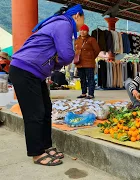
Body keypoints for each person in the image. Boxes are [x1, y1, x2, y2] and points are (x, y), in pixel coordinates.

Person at [9, 3, 84, 166]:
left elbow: (60, 55)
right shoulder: (64, 24)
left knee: (45, 110)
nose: (82, 24)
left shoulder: (59, 23)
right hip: (24, 70)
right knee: (34, 113)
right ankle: (37, 153)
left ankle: (45, 146)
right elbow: (66, 54)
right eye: (82, 20)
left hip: (34, 73)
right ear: (77, 15)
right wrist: (57, 65)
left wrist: (52, 66)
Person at [75, 24, 100, 99]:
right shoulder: (77, 40)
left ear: (87, 31)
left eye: (84, 30)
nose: (82, 32)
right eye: (81, 30)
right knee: (82, 79)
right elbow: (75, 50)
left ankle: (91, 94)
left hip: (89, 63)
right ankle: (83, 93)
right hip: (79, 62)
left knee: (90, 78)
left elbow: (97, 50)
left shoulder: (92, 39)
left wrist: (91, 57)